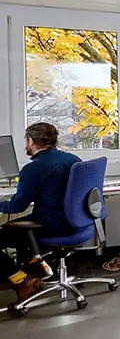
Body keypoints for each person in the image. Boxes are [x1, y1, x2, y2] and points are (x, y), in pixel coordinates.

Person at [0, 123, 80, 303]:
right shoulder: (73, 159)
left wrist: (1, 205)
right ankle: (39, 266)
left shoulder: (33, 169)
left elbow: (17, 206)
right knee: (19, 228)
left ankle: (24, 282)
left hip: (51, 225)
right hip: (76, 223)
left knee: (13, 230)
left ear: (30, 141)